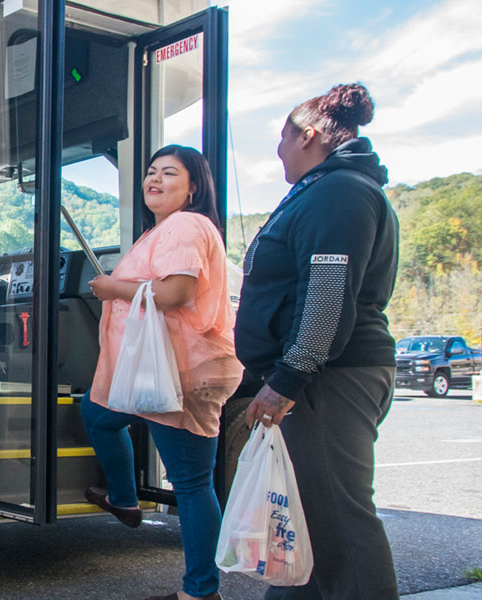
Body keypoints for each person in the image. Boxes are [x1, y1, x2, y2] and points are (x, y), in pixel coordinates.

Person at [236, 82, 399, 599]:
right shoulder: (326, 189)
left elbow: (327, 297)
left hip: (331, 381)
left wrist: (285, 383)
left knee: (339, 526)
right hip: (318, 380)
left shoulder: (340, 192)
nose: (279, 155)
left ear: (308, 136)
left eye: (282, 142)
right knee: (304, 523)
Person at [82, 145, 243, 600]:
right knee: (96, 413)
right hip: (154, 372)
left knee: (192, 484)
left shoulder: (187, 225)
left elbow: (174, 292)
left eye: (169, 173)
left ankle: (200, 591)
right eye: (151, 171)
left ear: (193, 187)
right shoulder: (164, 229)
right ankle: (126, 500)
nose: (154, 179)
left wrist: (113, 288)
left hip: (181, 371)